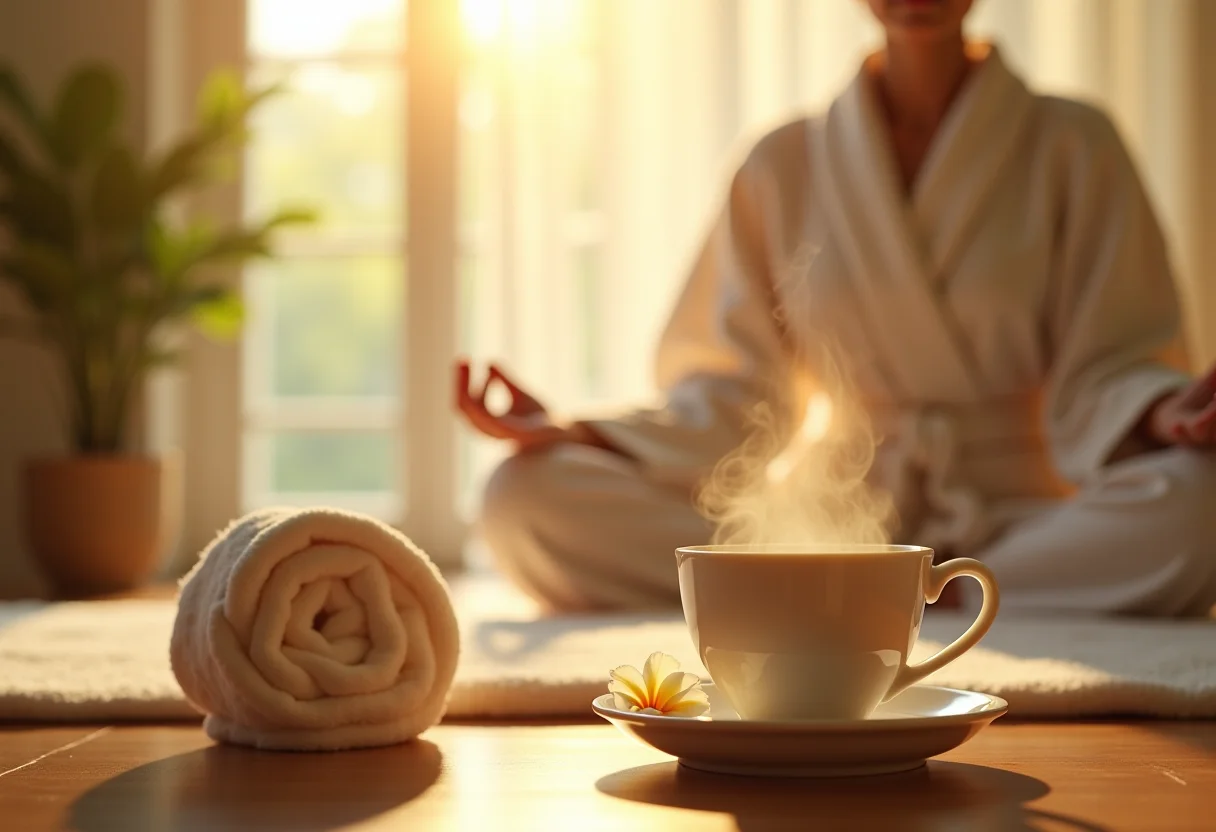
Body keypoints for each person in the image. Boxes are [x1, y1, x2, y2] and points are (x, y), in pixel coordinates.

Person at [455, 0, 1216, 616]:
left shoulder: (1074, 144)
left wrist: (1161, 416)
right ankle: (889, 595)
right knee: (522, 497)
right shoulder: (782, 162)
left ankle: (921, 598)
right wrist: (580, 435)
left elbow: (1109, 363)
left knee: (1201, 503)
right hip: (831, 526)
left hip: (1021, 522)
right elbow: (734, 393)